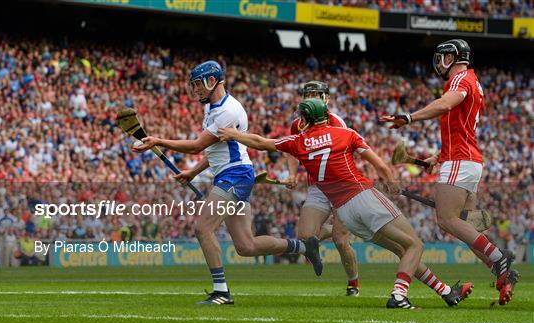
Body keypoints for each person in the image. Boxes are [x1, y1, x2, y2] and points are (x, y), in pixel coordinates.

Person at [218, 98, 472, 309]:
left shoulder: (299, 142)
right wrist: (392, 182)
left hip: (345, 211)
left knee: (402, 249)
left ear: (305, 120)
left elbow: (262, 143)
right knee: (414, 244)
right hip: (362, 196)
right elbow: (380, 165)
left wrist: (234, 134)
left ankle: (446, 291)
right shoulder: (347, 134)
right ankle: (398, 296)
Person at [131, 60, 322, 305]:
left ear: (213, 81)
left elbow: (198, 146)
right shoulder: (212, 108)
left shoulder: (227, 110)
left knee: (203, 228)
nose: (195, 90)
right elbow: (214, 150)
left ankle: (221, 292)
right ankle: (305, 247)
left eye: (198, 84)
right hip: (231, 174)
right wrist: (192, 171)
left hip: (236, 175)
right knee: (246, 245)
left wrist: (159, 141)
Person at [379, 39, 519, 305]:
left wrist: (408, 117)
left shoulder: (460, 81)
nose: (439, 62)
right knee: (465, 225)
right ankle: (503, 274)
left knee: (446, 219)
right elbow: (461, 127)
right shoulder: (474, 81)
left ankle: (500, 259)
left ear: (455, 57)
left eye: (443, 57)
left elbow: (444, 105)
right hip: (467, 160)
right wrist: (438, 156)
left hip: (460, 161)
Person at [286, 81, 360, 296]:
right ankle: (331, 232)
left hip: (341, 186)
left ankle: (353, 283)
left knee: (340, 240)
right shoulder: (297, 125)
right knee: (305, 235)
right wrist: (292, 174)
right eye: (309, 95)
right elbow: (292, 152)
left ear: (326, 98)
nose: (312, 99)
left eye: (317, 95)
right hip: (317, 187)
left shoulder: (337, 123)